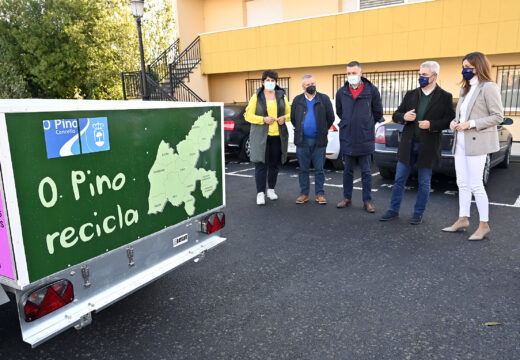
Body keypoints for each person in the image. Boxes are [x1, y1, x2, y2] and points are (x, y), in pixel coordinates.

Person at [380, 61, 455, 224]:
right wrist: (404, 117)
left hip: (428, 147)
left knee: (424, 182)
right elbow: (396, 115)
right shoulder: (411, 94)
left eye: (424, 75)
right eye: (419, 74)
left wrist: (432, 125)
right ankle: (393, 210)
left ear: (434, 76)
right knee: (399, 179)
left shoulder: (445, 97)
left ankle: (418, 213)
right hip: (408, 145)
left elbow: (449, 120)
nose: (420, 77)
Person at [442, 52, 503, 240]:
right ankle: (463, 219)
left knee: (476, 184)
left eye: (468, 66)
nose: (464, 70)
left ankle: (484, 225)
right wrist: (454, 122)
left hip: (477, 143)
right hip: (460, 142)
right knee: (462, 183)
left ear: (478, 66)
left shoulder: (488, 88)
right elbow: (460, 116)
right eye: (463, 66)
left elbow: (497, 116)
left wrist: (471, 124)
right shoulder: (465, 90)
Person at [336, 61, 383, 213]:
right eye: (349, 73)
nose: (351, 76)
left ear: (361, 73)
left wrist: (366, 123)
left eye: (354, 73)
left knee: (366, 172)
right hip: (348, 137)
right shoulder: (341, 92)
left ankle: (367, 201)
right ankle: (347, 197)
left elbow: (378, 113)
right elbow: (340, 112)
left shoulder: (371, 91)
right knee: (347, 171)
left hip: (364, 137)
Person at [244, 70, 291, 205]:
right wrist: (263, 119)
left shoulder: (282, 95)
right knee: (260, 165)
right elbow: (248, 116)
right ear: (263, 81)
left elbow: (289, 113)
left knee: (274, 165)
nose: (270, 83)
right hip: (261, 137)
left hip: (277, 136)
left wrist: (284, 118)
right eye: (268, 80)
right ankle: (260, 193)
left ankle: (271, 190)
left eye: (273, 80)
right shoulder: (256, 96)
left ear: (276, 82)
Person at [290, 75, 335, 204]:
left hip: (319, 140)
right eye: (308, 84)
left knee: (319, 169)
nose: (311, 86)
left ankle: (320, 194)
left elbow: (330, 117)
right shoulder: (297, 100)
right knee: (303, 169)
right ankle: (304, 194)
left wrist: (322, 130)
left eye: (313, 83)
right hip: (302, 140)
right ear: (303, 87)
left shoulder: (324, 99)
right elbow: (294, 118)